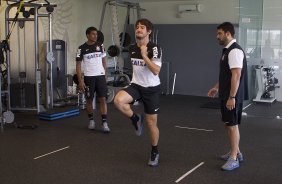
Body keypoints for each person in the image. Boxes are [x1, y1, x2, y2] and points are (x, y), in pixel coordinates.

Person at [114, 18, 162, 167]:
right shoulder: (132, 47)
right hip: (136, 85)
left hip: (151, 88)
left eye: (142, 27)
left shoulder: (154, 48)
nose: (139, 29)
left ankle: (155, 151)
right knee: (118, 101)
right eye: (137, 27)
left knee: (151, 123)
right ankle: (135, 119)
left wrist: (145, 55)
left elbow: (156, 71)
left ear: (149, 31)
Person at [207, 22, 248, 171]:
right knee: (229, 124)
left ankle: (234, 159)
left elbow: (236, 76)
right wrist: (216, 87)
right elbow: (227, 75)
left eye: (220, 34)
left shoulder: (234, 51)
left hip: (232, 96)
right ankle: (236, 151)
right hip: (227, 94)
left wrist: (232, 97)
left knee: (232, 126)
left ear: (228, 34)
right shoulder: (226, 50)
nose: (217, 37)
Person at [76, 26, 110, 133]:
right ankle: (91, 121)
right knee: (89, 100)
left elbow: (104, 60)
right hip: (88, 78)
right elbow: (78, 65)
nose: (95, 36)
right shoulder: (81, 48)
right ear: (87, 35)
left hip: (100, 77)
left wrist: (105, 73)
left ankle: (104, 122)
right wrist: (81, 81)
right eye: (93, 34)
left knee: (103, 99)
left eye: (96, 34)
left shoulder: (100, 45)